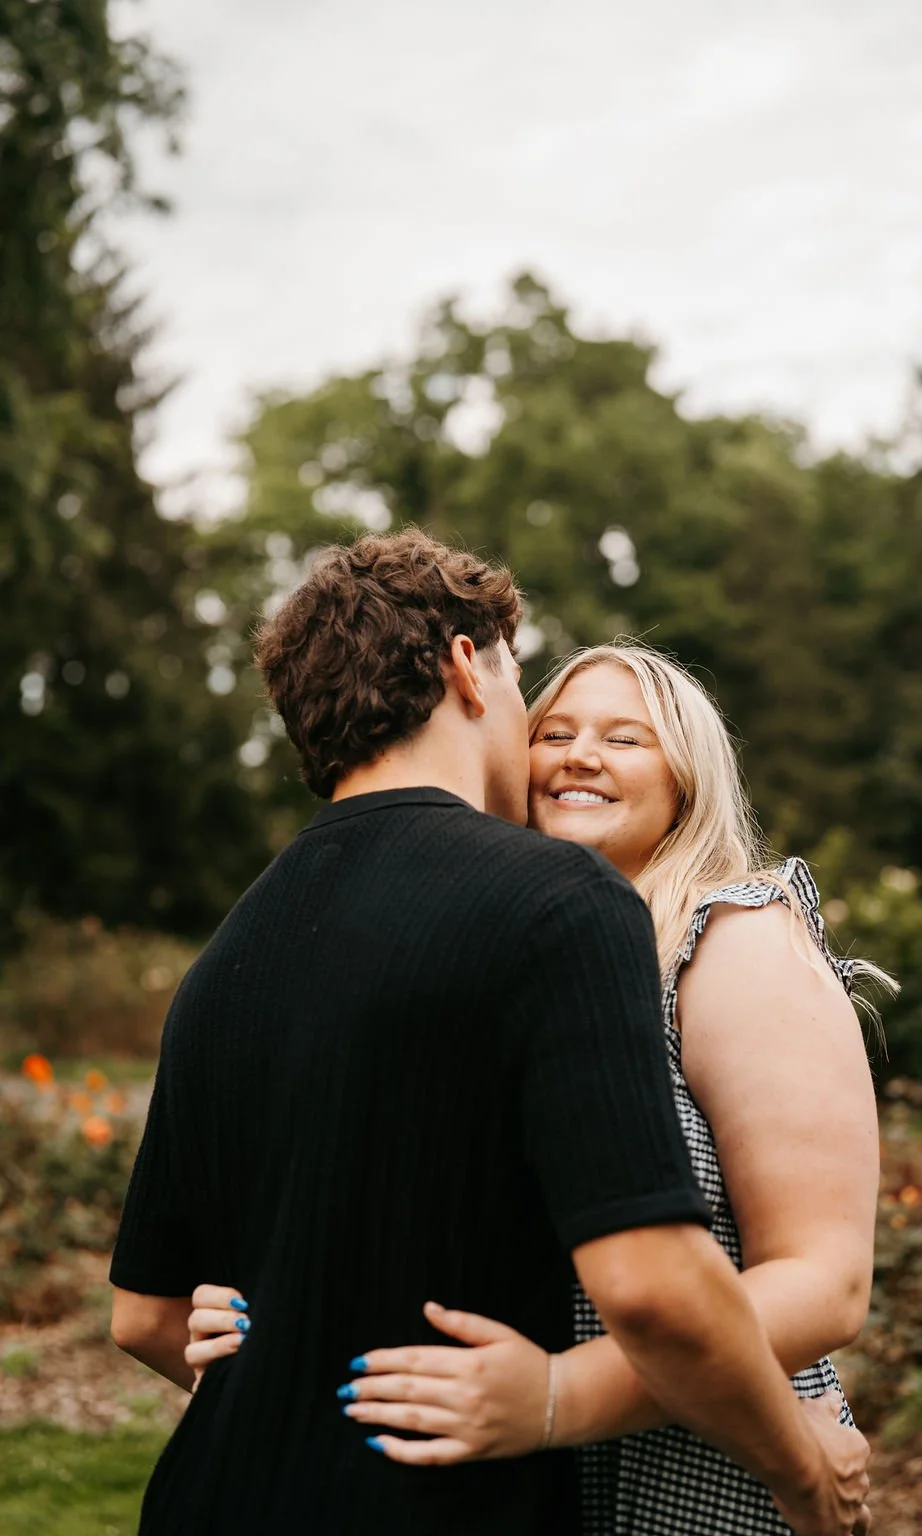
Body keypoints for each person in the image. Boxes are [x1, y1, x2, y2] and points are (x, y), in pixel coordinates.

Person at [111, 529, 870, 1536]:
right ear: (470, 668)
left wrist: (272, 1350)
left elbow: (146, 1316)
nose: (563, 752)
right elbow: (641, 1283)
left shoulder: (223, 959)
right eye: (546, 715)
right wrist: (800, 1465)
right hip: (457, 1493)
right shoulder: (548, 912)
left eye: (625, 736)